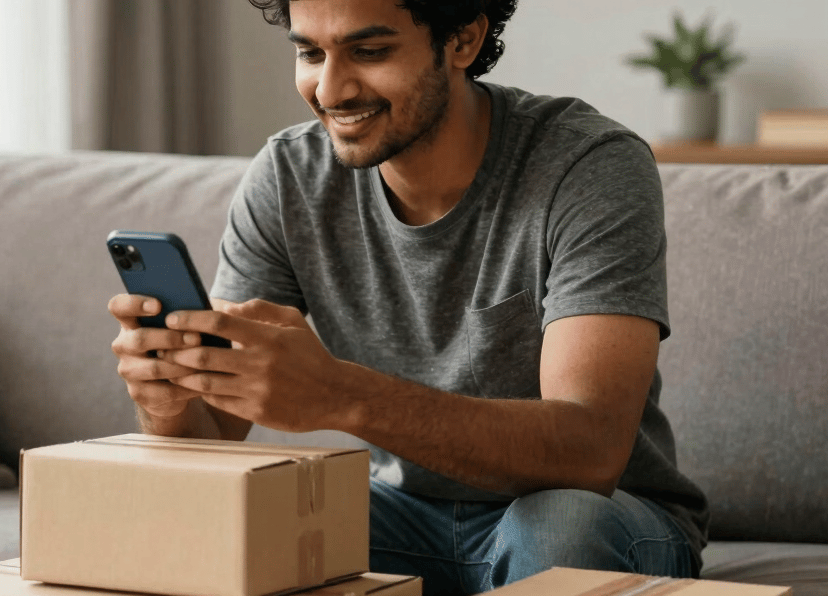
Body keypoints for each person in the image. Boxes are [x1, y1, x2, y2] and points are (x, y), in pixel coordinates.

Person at [108, 0, 709, 593]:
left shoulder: (587, 165)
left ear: (463, 40)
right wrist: (167, 404)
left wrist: (340, 394)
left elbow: (591, 453)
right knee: (231, 526)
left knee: (560, 524)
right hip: (402, 516)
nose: (331, 90)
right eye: (311, 54)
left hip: (601, 515)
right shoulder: (289, 177)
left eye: (370, 51)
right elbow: (209, 444)